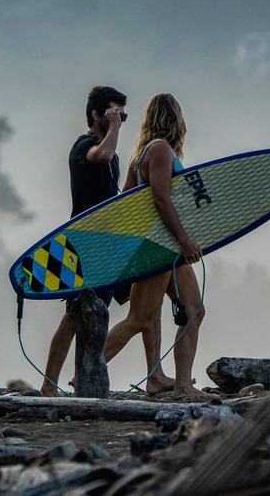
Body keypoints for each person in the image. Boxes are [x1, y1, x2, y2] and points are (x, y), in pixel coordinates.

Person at [102, 92, 206, 398]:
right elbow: (161, 199)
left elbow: (126, 201)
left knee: (193, 309)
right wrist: (184, 239)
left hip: (162, 248)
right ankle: (87, 372)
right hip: (158, 248)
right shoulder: (160, 150)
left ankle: (182, 385)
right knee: (139, 318)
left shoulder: (141, 153)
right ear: (176, 120)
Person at [40, 85, 130, 396]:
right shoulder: (85, 146)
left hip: (108, 245)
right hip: (85, 244)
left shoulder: (113, 155)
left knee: (97, 318)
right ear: (96, 114)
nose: (118, 120)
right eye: (113, 113)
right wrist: (115, 128)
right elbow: (101, 155)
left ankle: (85, 380)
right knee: (73, 318)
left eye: (122, 114)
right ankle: (48, 387)